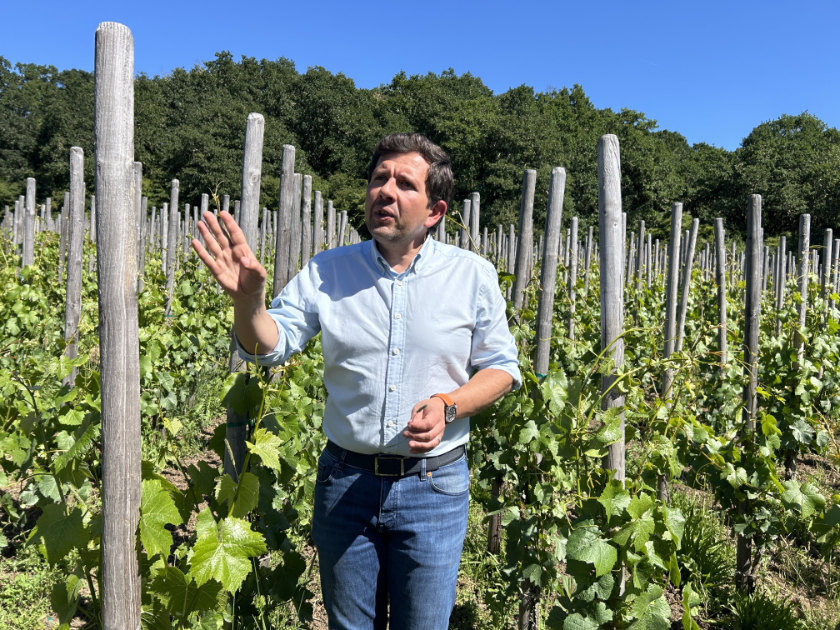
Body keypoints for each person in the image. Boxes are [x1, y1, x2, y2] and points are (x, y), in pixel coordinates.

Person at [192, 132, 521, 630]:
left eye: (404, 183)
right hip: (346, 484)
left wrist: (449, 404)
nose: (384, 191)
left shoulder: (471, 276)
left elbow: (503, 369)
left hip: (433, 488)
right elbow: (269, 346)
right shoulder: (328, 270)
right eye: (378, 179)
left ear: (434, 210)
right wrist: (248, 303)